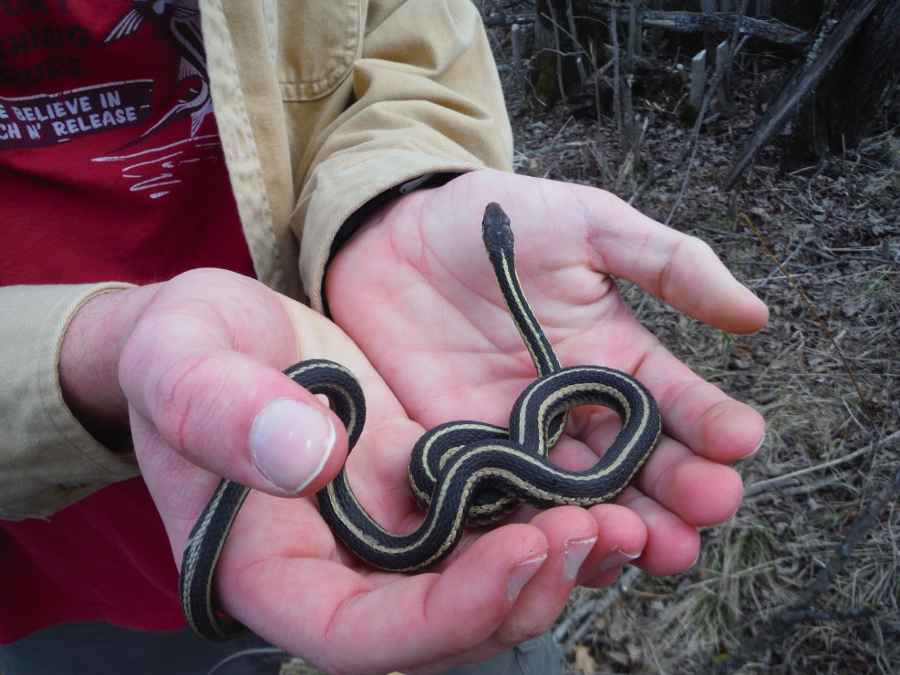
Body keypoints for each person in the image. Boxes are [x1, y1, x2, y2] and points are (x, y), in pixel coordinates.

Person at [0, 0, 768, 673]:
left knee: (482, 585)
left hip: (397, 449)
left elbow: (406, 44)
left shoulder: (495, 435)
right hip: (68, 573)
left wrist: (399, 191)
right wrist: (88, 354)